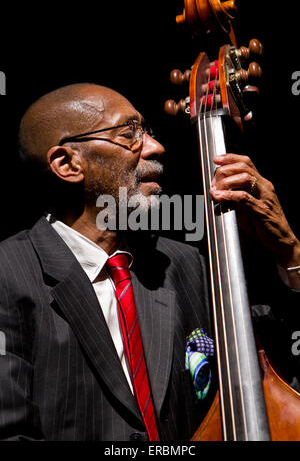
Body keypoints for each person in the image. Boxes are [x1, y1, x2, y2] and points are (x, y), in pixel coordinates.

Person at [0, 83, 298, 441]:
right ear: (67, 164)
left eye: (148, 132)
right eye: (130, 134)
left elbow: (277, 368)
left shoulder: (182, 263)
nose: (156, 147)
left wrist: (290, 253)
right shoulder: (8, 274)